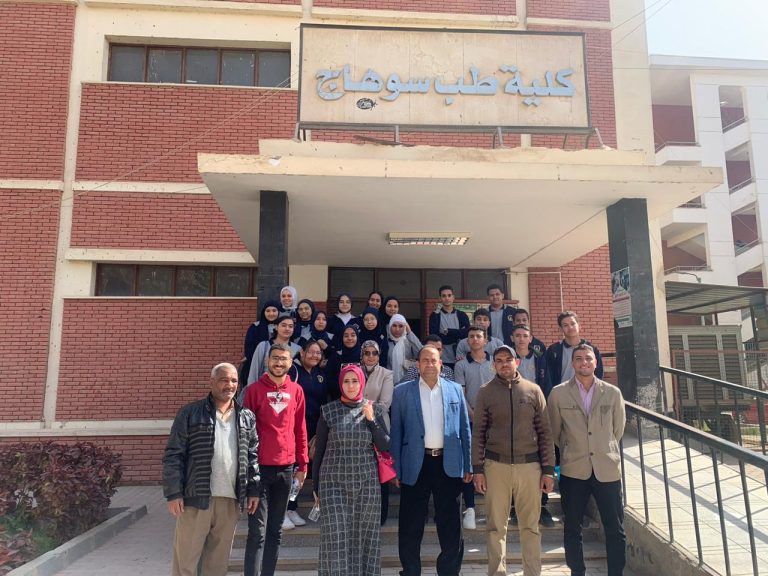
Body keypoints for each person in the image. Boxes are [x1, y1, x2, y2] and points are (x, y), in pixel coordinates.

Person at [163, 363, 260, 576]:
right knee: (186, 562)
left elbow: (252, 456)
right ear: (212, 382)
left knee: (217, 564)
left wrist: (253, 490)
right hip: (196, 498)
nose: (230, 385)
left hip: (230, 500)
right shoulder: (190, 413)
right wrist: (173, 493)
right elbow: (174, 454)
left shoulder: (246, 417)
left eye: (234, 380)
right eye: (224, 380)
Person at [472, 346, 555, 576]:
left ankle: (532, 572)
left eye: (508, 359)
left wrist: (548, 470)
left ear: (517, 362)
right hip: (495, 466)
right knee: (496, 527)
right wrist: (478, 469)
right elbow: (478, 433)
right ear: (493, 365)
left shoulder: (533, 390)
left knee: (530, 526)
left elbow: (545, 432)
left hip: (529, 467)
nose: (504, 364)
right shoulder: (485, 392)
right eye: (499, 360)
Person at [390, 346, 473, 576]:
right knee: (410, 523)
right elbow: (396, 432)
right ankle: (410, 571)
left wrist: (468, 464)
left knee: (451, 524)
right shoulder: (402, 392)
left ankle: (448, 571)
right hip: (415, 464)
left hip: (449, 463)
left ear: (441, 364)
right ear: (418, 365)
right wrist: (395, 468)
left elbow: (465, 430)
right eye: (424, 360)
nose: (429, 364)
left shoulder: (455, 390)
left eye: (433, 360)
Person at [548, 344, 626, 576]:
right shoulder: (558, 393)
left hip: (606, 469)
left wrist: (601, 447)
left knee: (615, 528)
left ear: (596, 362)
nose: (584, 362)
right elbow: (554, 432)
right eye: (579, 358)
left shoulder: (612, 393)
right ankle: (577, 571)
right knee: (572, 527)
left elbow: (618, 429)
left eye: (588, 358)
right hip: (574, 469)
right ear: (572, 363)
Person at [312, 364, 390, 576]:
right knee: (336, 535)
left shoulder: (373, 409)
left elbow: (385, 445)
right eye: (346, 381)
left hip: (367, 483)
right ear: (340, 384)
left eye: (355, 381)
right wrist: (316, 487)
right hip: (333, 483)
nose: (350, 385)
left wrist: (371, 420)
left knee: (366, 535)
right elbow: (319, 452)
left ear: (362, 383)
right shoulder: (328, 411)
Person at [242, 344, 309, 576]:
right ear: (267, 361)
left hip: (286, 468)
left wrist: (303, 464)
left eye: (283, 359)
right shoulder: (253, 391)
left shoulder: (297, 391)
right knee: (256, 532)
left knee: (275, 531)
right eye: (275, 358)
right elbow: (245, 432)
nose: (279, 363)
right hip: (259, 469)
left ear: (291, 363)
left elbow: (300, 429)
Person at [509, 323, 553, 527]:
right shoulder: (507, 358)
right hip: (511, 415)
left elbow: (547, 386)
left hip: (535, 414)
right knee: (513, 462)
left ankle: (542, 506)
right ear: (512, 338)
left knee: (539, 461)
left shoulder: (539, 359)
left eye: (524, 335)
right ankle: (515, 508)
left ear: (530, 338)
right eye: (517, 335)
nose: (521, 339)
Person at [453, 325, 495, 531]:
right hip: (471, 421)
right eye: (472, 336)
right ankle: (469, 508)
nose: (475, 339)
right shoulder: (461, 365)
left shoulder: (495, 362)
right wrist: (475, 417)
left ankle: (495, 508)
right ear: (467, 341)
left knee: (494, 463)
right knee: (470, 463)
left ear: (485, 340)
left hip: (495, 421)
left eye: (479, 336)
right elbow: (461, 394)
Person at [284, 340, 329, 528]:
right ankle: (285, 509)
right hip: (294, 427)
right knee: (294, 469)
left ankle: (293, 507)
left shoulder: (320, 375)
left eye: (318, 353)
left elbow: (324, 403)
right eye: (311, 352)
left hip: (314, 428)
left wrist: (320, 432)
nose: (314, 356)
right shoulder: (293, 371)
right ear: (302, 353)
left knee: (304, 471)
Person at [360, 339, 395, 524]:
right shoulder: (354, 371)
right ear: (362, 355)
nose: (371, 356)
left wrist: (361, 409)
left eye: (374, 353)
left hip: (379, 425)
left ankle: (381, 515)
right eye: (367, 353)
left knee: (381, 468)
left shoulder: (386, 374)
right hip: (357, 427)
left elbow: (385, 404)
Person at [544, 311, 604, 396]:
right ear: (561, 329)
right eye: (565, 325)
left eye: (573, 323)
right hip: (563, 395)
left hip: (587, 394)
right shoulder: (553, 350)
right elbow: (549, 377)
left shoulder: (592, 350)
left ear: (579, 326)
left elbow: (599, 373)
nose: (570, 327)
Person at [246, 314, 301, 389]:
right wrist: (251, 390)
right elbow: (254, 371)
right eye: (283, 325)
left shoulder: (297, 349)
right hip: (263, 390)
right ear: (276, 327)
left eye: (290, 326)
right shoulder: (263, 346)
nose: (287, 329)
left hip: (288, 392)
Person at [428, 284, 470, 369]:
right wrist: (457, 336)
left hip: (461, 357)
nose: (447, 298)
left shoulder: (462, 315)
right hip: (442, 359)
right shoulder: (435, 316)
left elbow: (466, 334)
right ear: (440, 298)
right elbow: (435, 337)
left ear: (453, 297)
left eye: (449, 295)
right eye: (444, 296)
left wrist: (448, 331)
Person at [240, 300, 281, 386]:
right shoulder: (255, 327)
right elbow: (249, 348)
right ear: (263, 312)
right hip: (256, 364)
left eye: (274, 311)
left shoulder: (282, 327)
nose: (271, 313)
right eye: (268, 311)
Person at [326, 324, 363, 397]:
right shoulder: (336, 356)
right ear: (342, 338)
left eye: (353, 335)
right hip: (339, 398)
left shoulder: (363, 356)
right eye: (346, 336)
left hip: (360, 398)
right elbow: (328, 377)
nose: (349, 338)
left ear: (357, 337)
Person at [387, 313, 423, 384]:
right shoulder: (386, 342)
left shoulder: (409, 340)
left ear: (405, 327)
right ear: (390, 326)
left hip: (407, 381)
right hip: (389, 381)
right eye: (394, 326)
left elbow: (422, 352)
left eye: (401, 326)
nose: (397, 329)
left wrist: (409, 333)